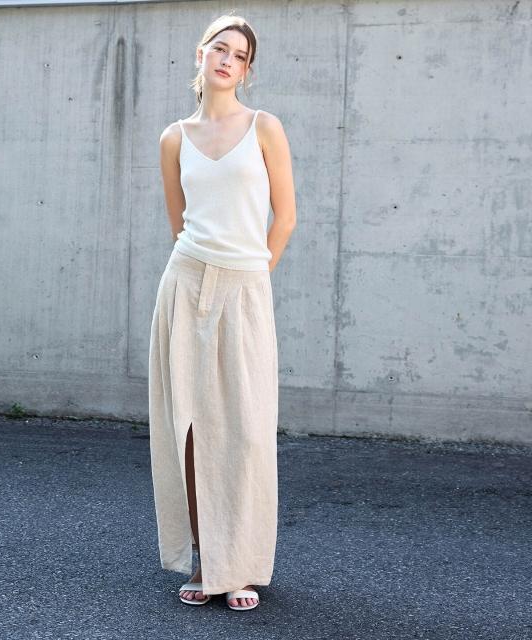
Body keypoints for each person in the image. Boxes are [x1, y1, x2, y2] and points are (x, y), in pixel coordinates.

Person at [148, 13, 296, 612]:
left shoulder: (265, 127)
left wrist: (254, 278)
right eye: (220, 48)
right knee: (187, 428)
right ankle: (206, 559)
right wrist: (201, 277)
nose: (228, 59)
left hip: (245, 286)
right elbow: (178, 222)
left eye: (240, 54)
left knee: (244, 429)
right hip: (185, 282)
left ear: (247, 70)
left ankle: (240, 564)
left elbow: (285, 217)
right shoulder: (173, 138)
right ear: (201, 54)